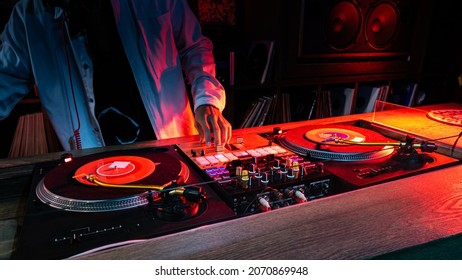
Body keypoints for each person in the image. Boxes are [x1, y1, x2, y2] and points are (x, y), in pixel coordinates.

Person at [0, 0, 232, 151]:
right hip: (94, 168)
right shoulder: (27, 18)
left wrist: (207, 99)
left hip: (173, 148)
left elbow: (194, 47)